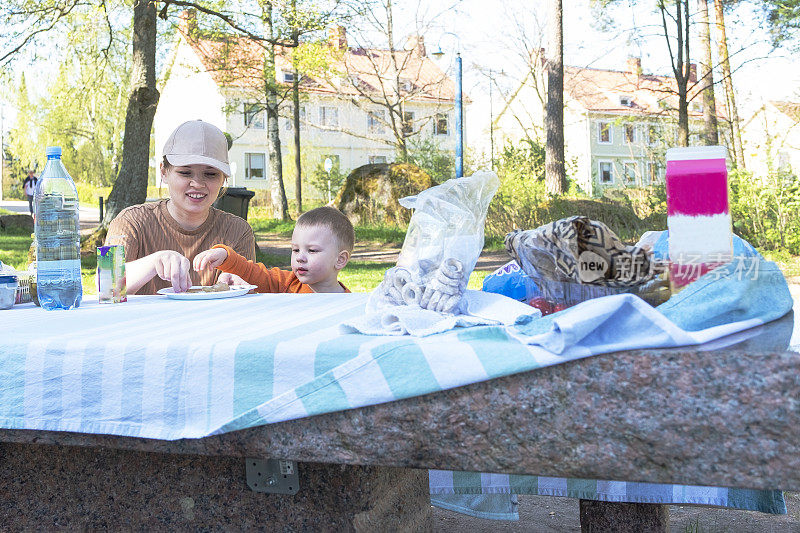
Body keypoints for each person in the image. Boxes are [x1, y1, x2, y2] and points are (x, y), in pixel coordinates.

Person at [105, 120, 256, 295]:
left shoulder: (238, 231)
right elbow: (106, 287)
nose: (197, 183)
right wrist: (154, 262)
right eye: (185, 172)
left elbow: (246, 300)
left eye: (210, 174)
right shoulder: (130, 221)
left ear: (224, 179)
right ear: (163, 172)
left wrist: (237, 284)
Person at [194, 206, 353, 293]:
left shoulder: (350, 304)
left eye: (312, 251)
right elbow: (253, 273)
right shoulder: (285, 284)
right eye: (296, 250)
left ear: (340, 260)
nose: (300, 258)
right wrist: (226, 257)